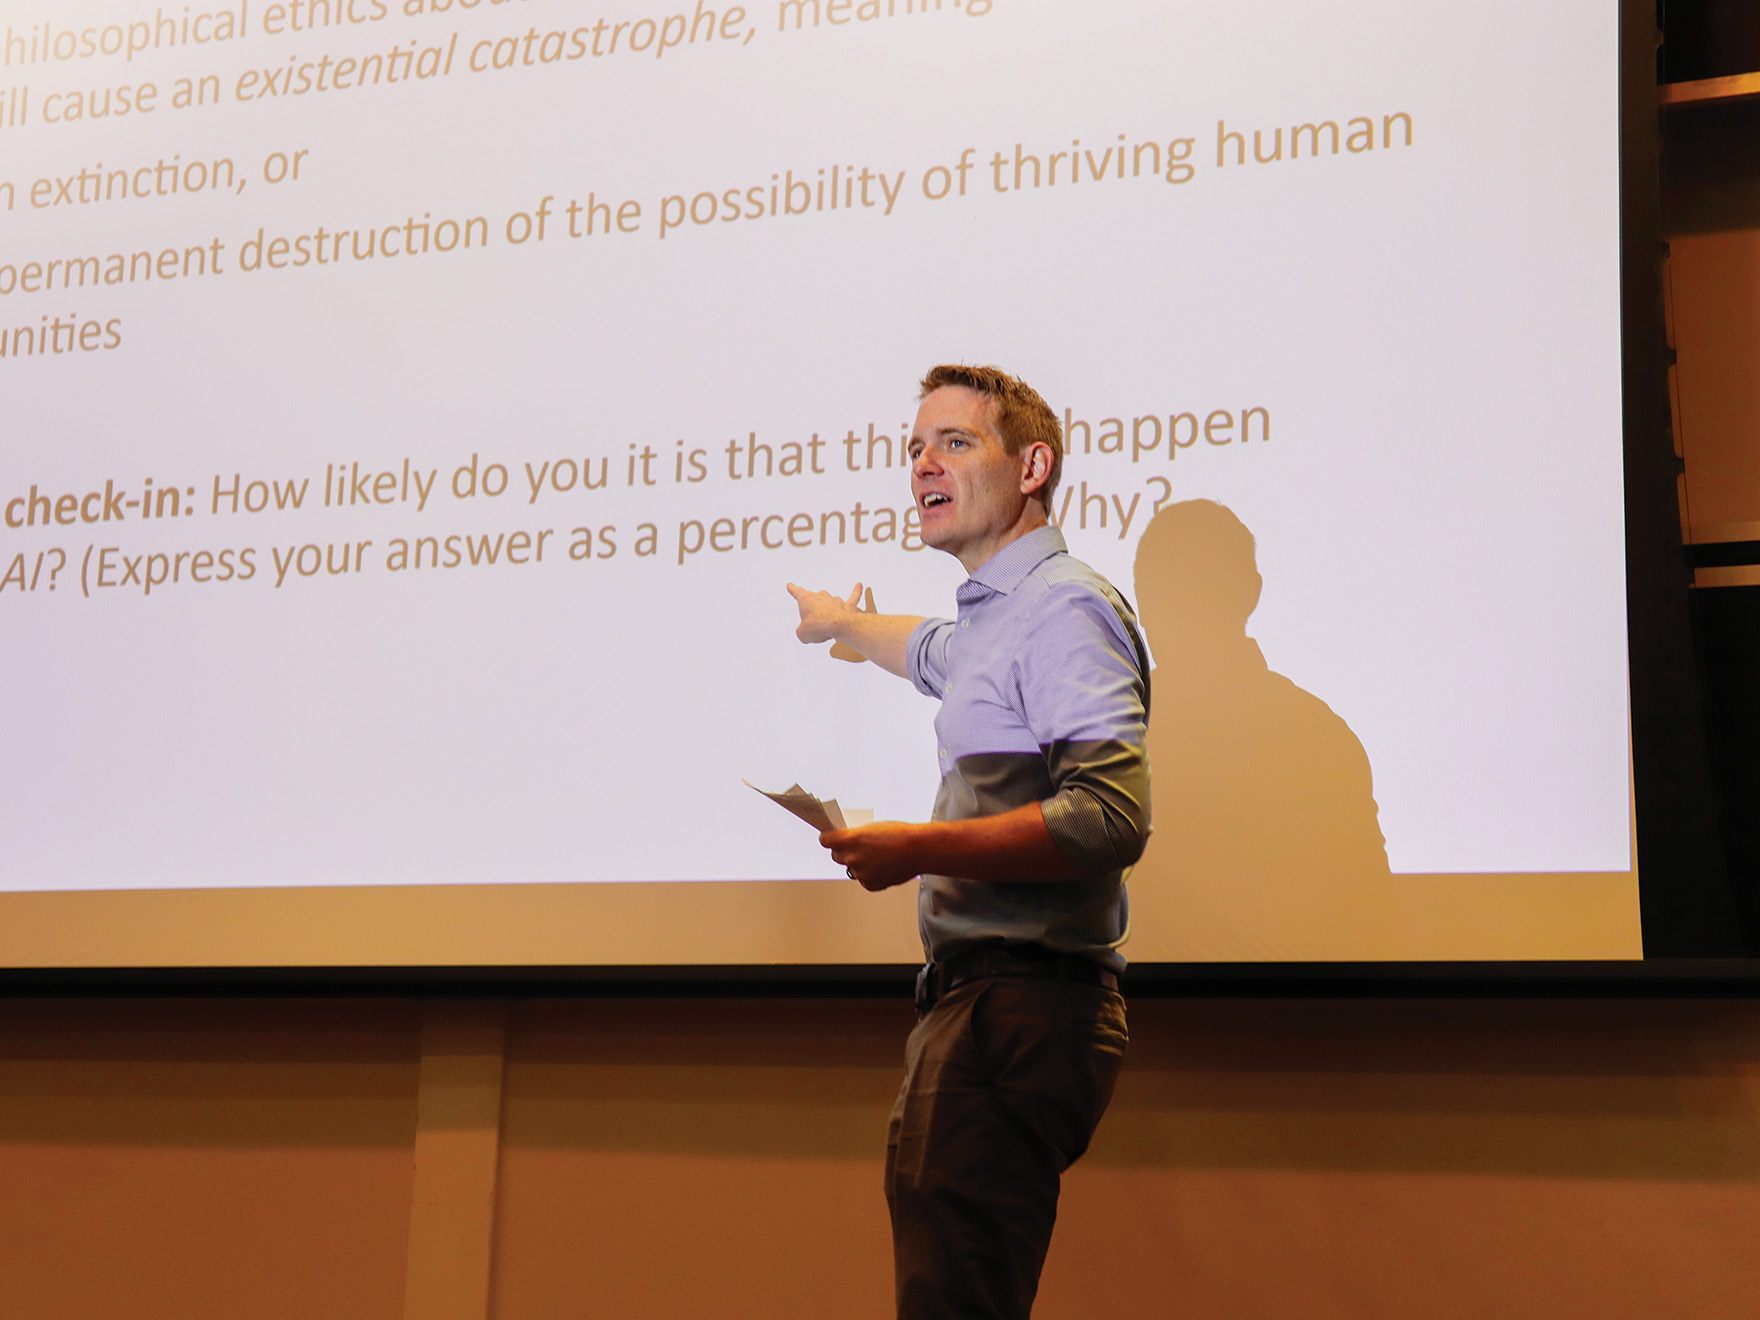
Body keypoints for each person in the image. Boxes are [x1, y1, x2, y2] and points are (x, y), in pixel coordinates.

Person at [787, 364, 1151, 1320]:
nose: (921, 467)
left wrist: (920, 847)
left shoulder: (1065, 608)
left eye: (954, 442)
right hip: (981, 1004)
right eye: (914, 449)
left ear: (1031, 466)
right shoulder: (994, 623)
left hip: (1019, 1009)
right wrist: (845, 623)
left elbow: (1108, 818)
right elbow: (924, 649)